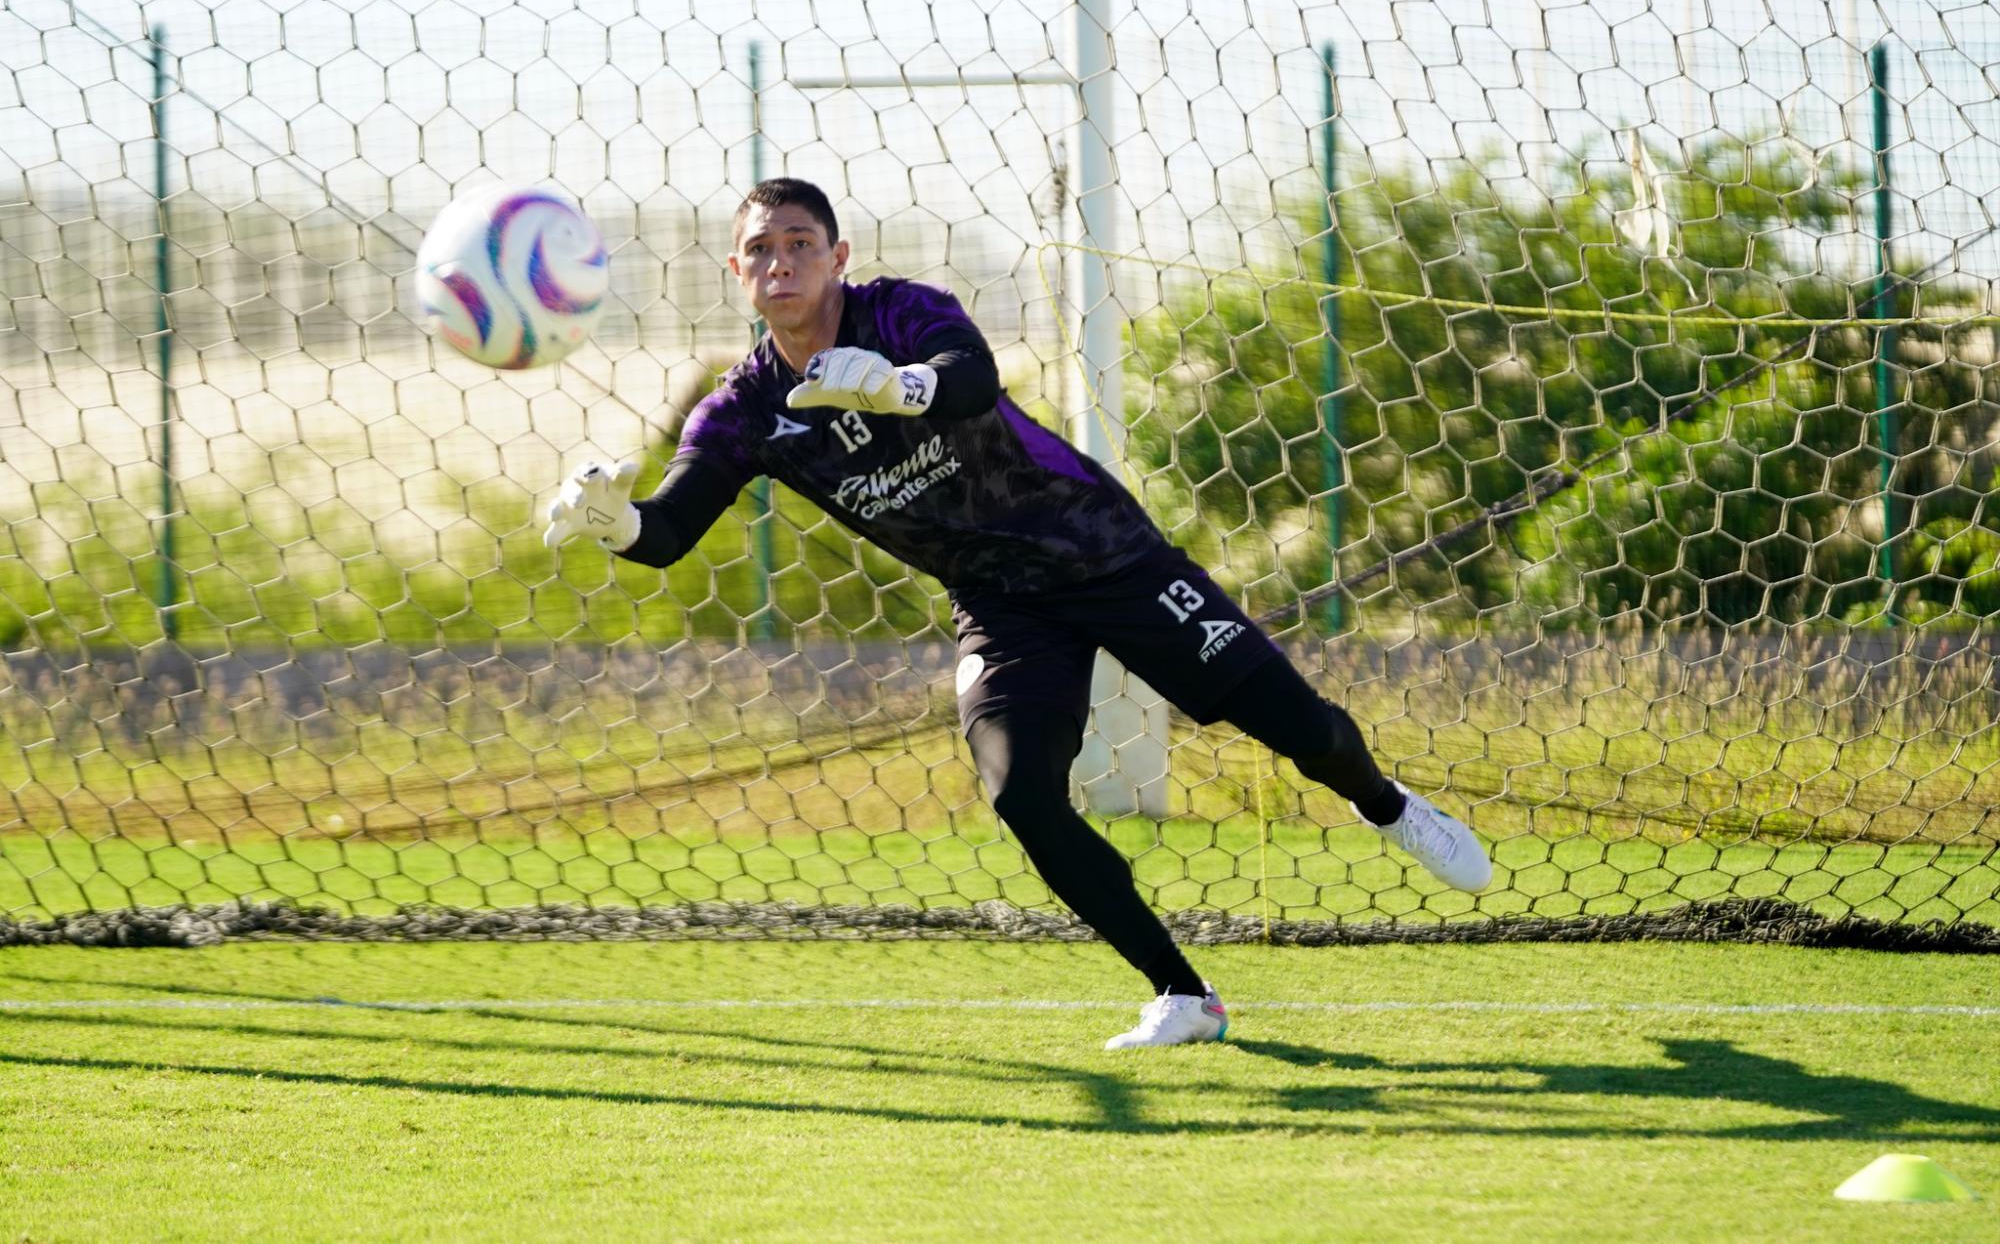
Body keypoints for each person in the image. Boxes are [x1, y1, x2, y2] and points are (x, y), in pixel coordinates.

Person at [544, 178, 1490, 1049]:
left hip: (1102, 551)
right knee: (1020, 792)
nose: (779, 262)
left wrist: (895, 384)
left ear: (838, 256)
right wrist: (615, 522)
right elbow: (668, 531)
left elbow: (972, 374)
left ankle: (1391, 807)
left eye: (799, 243)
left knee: (1301, 729)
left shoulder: (899, 311)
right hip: (1000, 605)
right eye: (760, 249)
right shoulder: (746, 408)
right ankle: (1184, 996)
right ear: (737, 272)